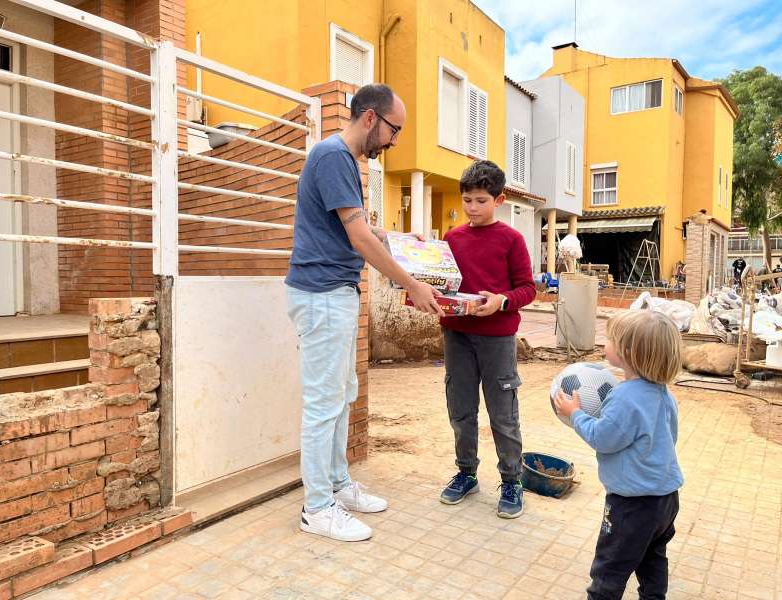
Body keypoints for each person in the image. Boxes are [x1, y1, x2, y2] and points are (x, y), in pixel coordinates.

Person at [285, 83, 442, 542]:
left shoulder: (343, 160)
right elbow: (357, 239)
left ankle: (336, 485)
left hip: (335, 293)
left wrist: (398, 238)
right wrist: (411, 283)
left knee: (341, 395)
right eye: (395, 130)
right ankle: (317, 508)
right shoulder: (334, 155)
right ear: (371, 118)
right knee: (323, 404)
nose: (395, 141)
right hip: (323, 294)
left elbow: (354, 224)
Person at [553, 310, 684, 600]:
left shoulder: (625, 397)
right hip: (666, 500)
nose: (606, 342)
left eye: (611, 339)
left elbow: (602, 438)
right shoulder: (664, 394)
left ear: (627, 351)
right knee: (653, 559)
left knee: (610, 567)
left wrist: (575, 414)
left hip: (632, 507)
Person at [438, 160, 536, 518]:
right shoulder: (452, 238)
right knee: (461, 409)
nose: (472, 208)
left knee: (503, 414)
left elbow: (528, 289)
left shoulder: (512, 239)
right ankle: (466, 473)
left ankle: (512, 480)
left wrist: (501, 301)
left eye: (480, 200)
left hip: (497, 339)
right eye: (467, 200)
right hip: (457, 335)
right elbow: (444, 282)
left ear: (500, 199)